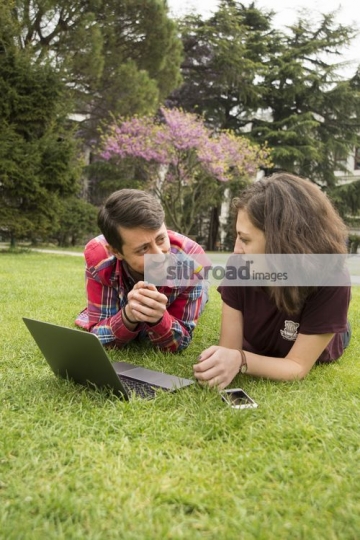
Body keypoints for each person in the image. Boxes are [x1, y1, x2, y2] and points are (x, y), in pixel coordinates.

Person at [193, 172, 352, 388]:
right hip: (268, 332)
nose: (236, 250)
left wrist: (242, 360)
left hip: (318, 330)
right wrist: (226, 359)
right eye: (237, 236)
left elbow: (296, 366)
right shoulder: (239, 264)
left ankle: (339, 324)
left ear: (283, 242)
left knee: (335, 329)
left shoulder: (332, 279)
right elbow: (229, 348)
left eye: (245, 239)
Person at [75, 189, 208, 352]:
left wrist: (159, 319)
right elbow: (97, 335)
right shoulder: (100, 258)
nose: (158, 256)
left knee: (202, 294)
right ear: (116, 252)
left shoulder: (193, 260)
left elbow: (181, 341)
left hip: (189, 278)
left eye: (161, 239)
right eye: (143, 249)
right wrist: (128, 315)